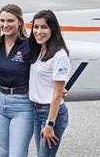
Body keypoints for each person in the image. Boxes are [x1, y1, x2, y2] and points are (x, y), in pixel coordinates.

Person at [0, 4, 33, 157]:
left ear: (20, 22)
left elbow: (43, 68)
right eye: (2, 21)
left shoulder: (30, 45)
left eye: (10, 21)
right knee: (3, 152)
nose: (5, 25)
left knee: (17, 153)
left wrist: (56, 87)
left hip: (22, 104)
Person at [29, 10, 71, 157]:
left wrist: (50, 124)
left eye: (44, 27)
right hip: (36, 110)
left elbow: (58, 93)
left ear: (53, 29)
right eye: (36, 27)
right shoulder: (40, 49)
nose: (39, 31)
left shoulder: (59, 55)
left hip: (51, 114)